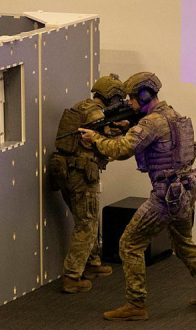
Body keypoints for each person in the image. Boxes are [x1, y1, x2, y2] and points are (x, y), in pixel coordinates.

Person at [79, 72, 196, 320]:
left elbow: (122, 149)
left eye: (133, 98)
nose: (130, 103)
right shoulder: (174, 116)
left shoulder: (151, 123)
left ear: (144, 95)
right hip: (185, 190)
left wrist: (96, 139)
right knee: (184, 244)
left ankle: (136, 304)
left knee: (129, 244)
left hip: (165, 195)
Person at [50, 74, 126, 293]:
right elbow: (107, 142)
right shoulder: (96, 113)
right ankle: (72, 276)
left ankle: (92, 263)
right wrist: (123, 129)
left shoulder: (82, 106)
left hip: (66, 171)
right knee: (87, 223)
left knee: (86, 218)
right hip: (82, 174)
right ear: (111, 96)